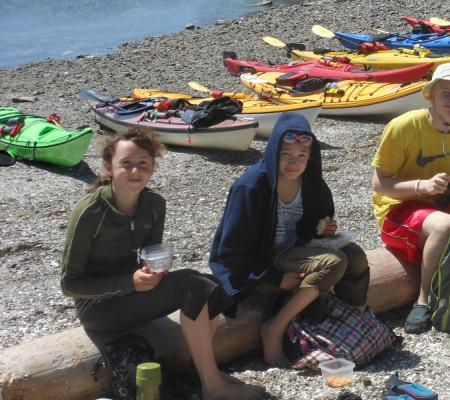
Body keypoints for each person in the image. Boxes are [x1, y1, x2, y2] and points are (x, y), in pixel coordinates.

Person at [61, 127, 264, 400]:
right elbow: (70, 284)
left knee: (211, 285)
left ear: (153, 168)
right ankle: (213, 387)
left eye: (143, 164)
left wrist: (152, 272)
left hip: (133, 294)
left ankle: (201, 370)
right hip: (97, 309)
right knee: (192, 285)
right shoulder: (89, 212)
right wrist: (128, 282)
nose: (135, 171)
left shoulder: (154, 205)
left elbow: (148, 254)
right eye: (126, 164)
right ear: (109, 167)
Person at [208, 112, 370, 367]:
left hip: (294, 252)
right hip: (260, 263)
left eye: (301, 156)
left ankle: (357, 320)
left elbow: (314, 225)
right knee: (334, 262)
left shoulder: (312, 183)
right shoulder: (251, 187)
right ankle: (275, 327)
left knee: (356, 256)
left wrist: (323, 230)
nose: (293, 163)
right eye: (286, 155)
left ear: (310, 157)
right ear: (273, 152)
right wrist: (274, 278)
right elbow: (230, 252)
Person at [371, 62, 450, 334]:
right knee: (443, 224)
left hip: (442, 204)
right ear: (431, 95)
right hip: (398, 209)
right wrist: (421, 186)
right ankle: (423, 300)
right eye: (446, 93)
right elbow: (379, 183)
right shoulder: (403, 126)